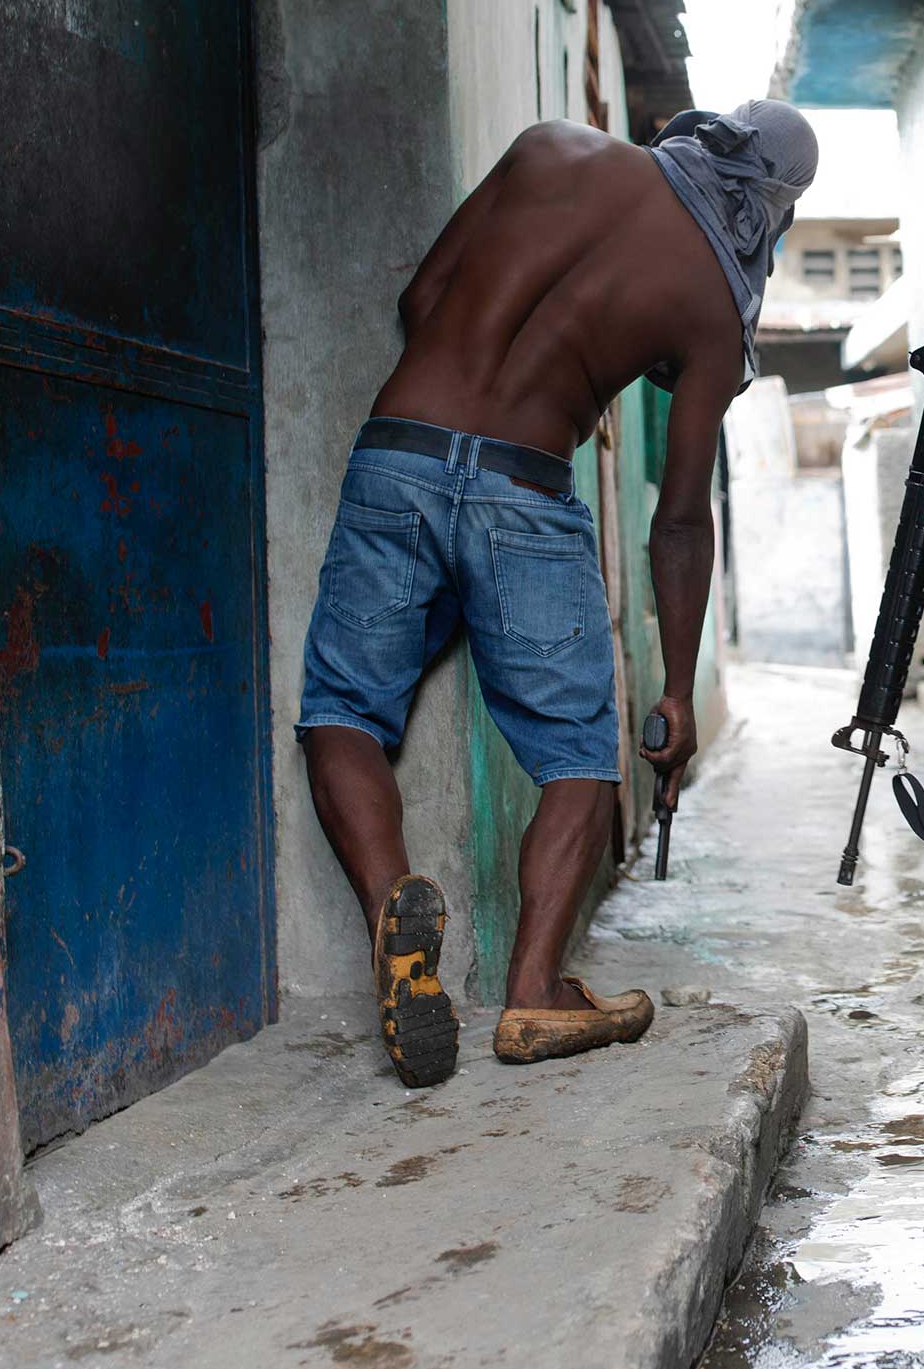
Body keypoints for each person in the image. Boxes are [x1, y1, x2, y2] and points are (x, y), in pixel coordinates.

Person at [296, 102, 817, 1087]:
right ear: (770, 209)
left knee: (344, 712)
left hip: (399, 453)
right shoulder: (710, 300)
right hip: (524, 489)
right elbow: (679, 518)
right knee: (578, 755)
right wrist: (673, 691)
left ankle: (388, 913)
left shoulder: (549, 148)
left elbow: (421, 299)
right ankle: (533, 993)